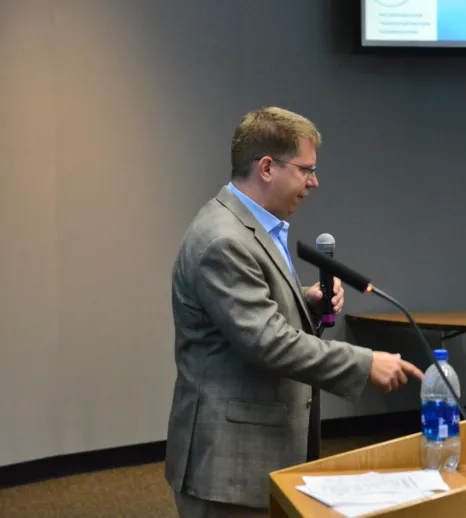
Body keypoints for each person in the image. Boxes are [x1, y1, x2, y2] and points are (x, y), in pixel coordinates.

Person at [165, 107, 424, 518]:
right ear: (267, 167)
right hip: (229, 468)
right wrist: (364, 363)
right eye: (307, 170)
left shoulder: (248, 226)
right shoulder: (224, 240)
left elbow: (248, 315)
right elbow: (268, 343)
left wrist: (303, 300)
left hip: (252, 455)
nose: (314, 182)